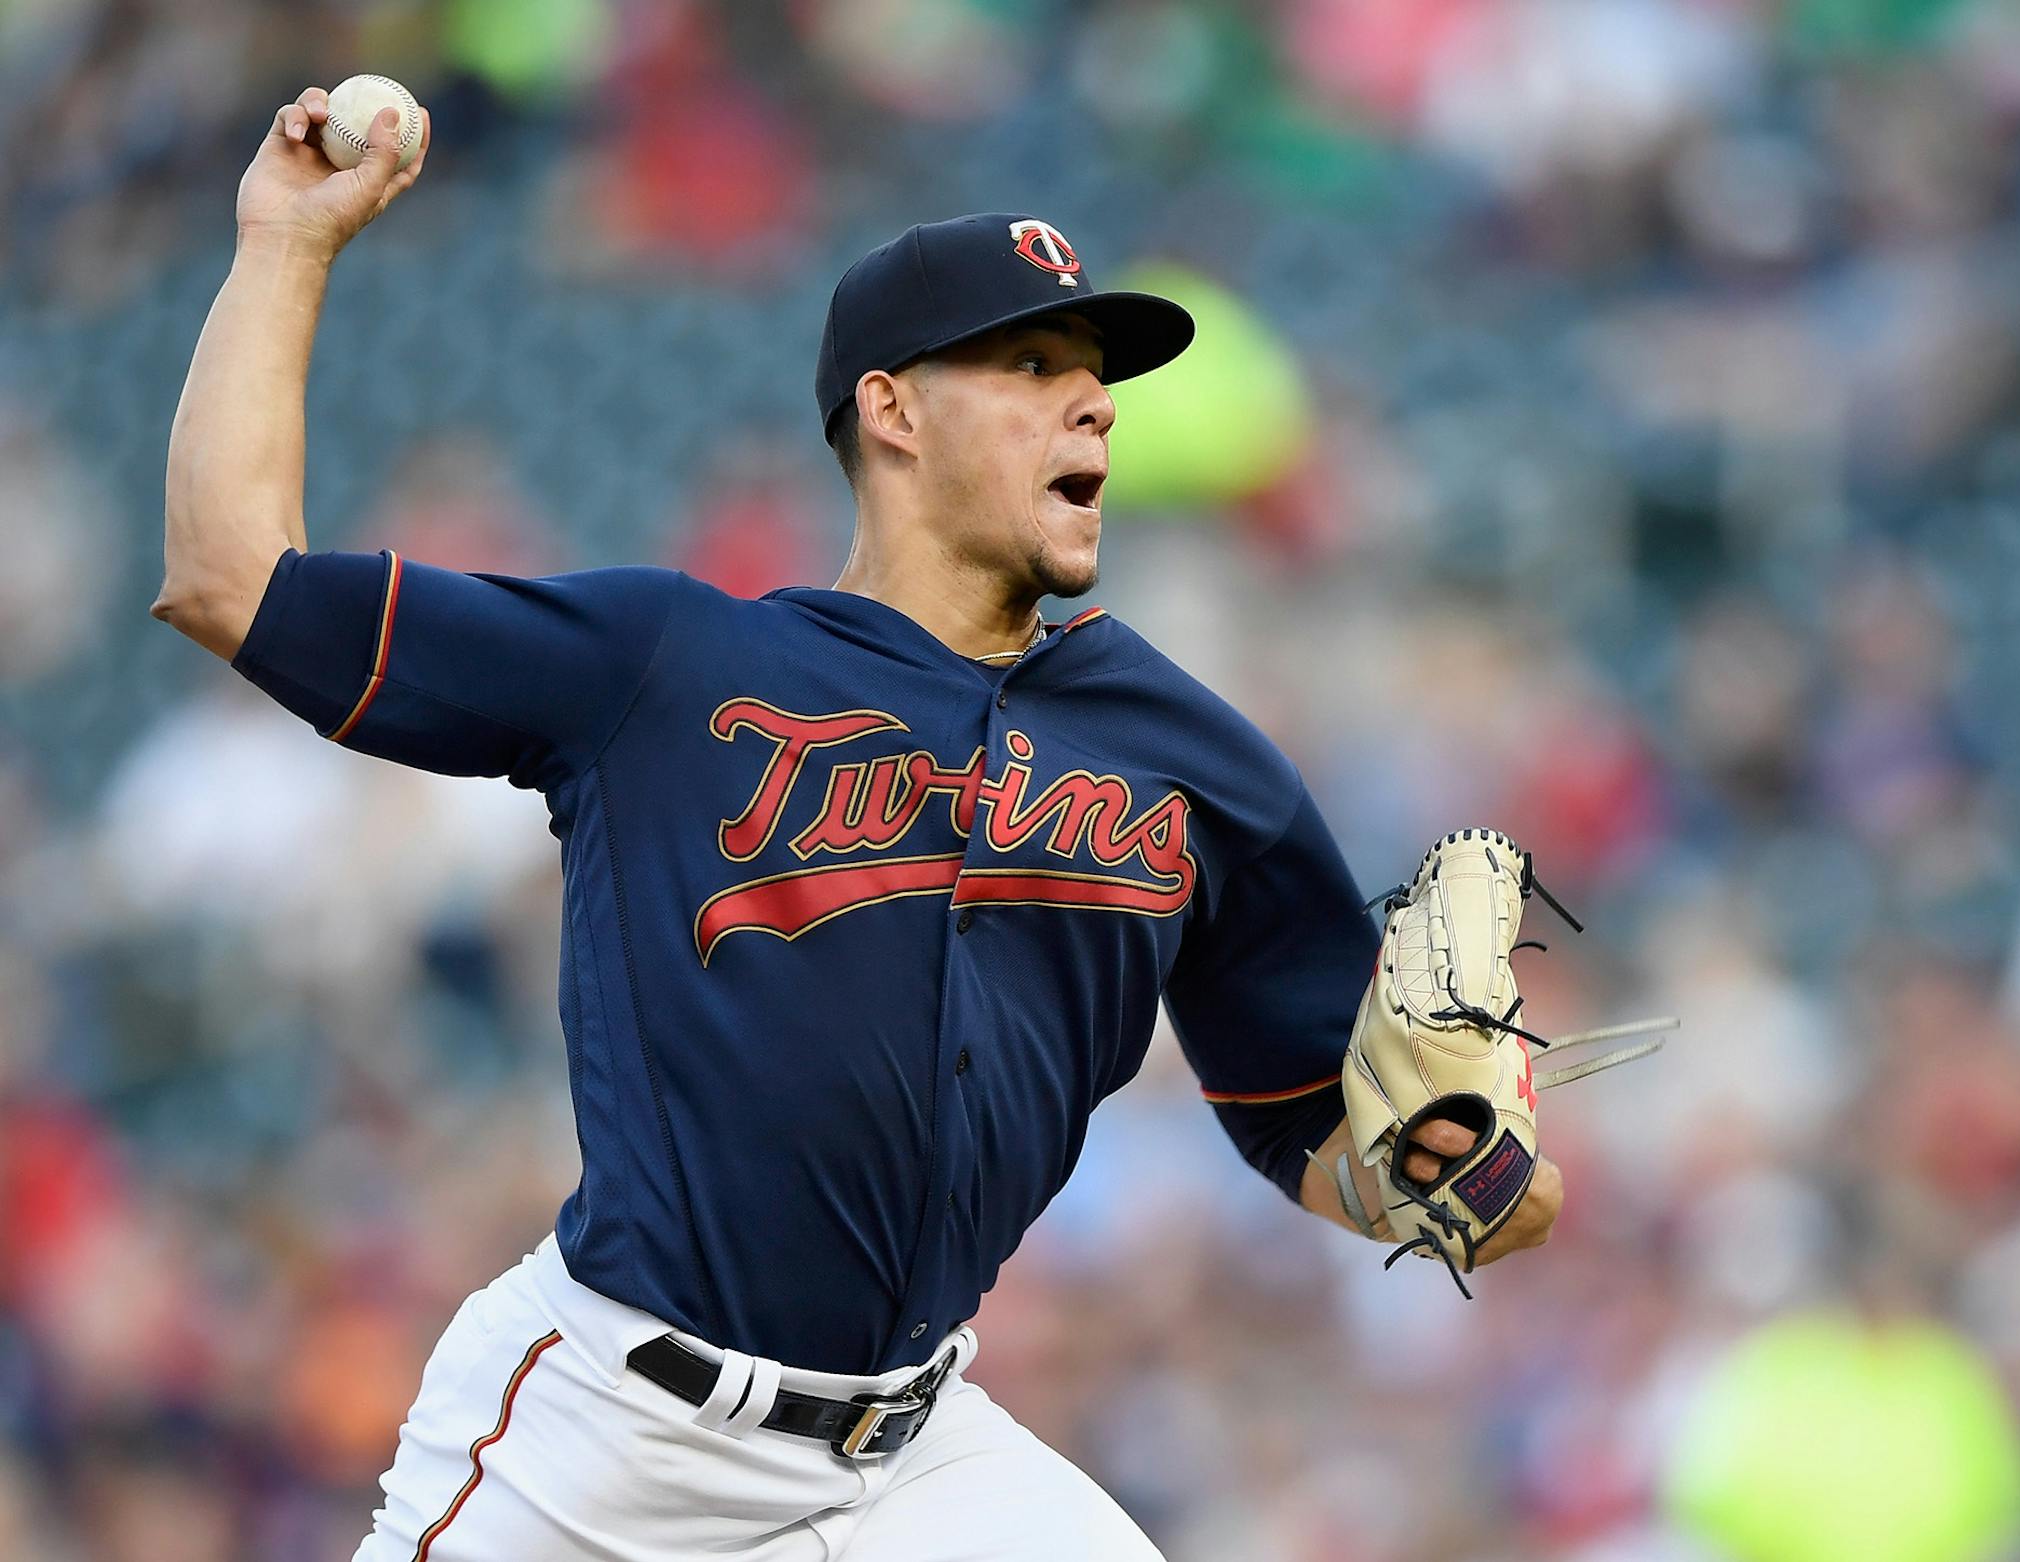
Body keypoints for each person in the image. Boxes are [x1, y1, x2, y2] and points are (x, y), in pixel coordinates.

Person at [156, 89, 1565, 1561]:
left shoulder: (1188, 753)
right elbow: (226, 573)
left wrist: (1452, 1174)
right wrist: (283, 245)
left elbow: (1324, 1135)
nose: (1090, 402)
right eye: (1032, 364)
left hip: (913, 1464)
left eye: (1096, 376)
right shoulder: (670, 665)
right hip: (611, 1447)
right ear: (891, 408)